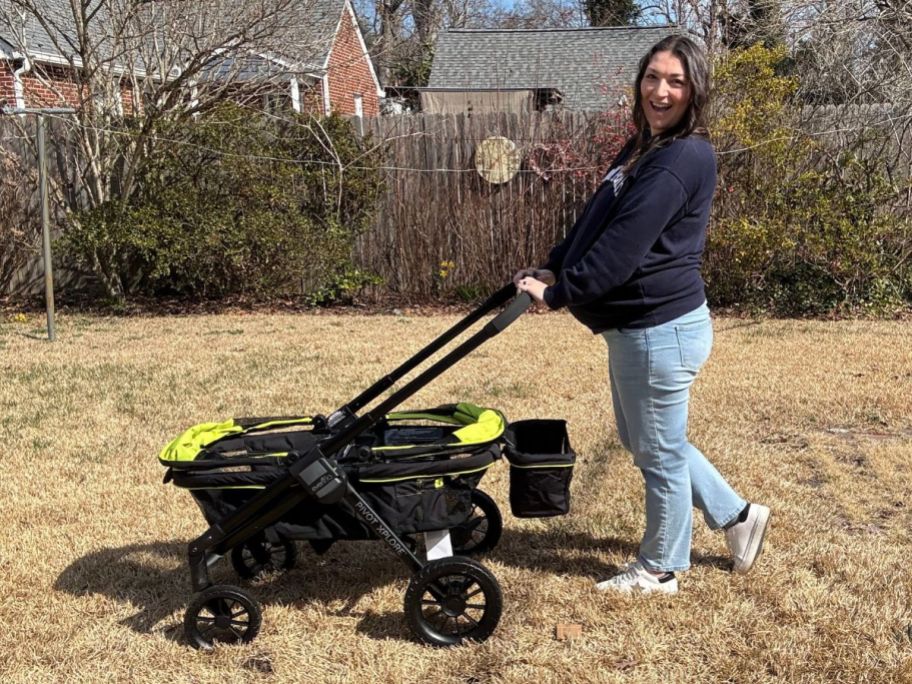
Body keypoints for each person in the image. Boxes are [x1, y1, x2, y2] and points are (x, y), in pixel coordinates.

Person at [514, 34, 769, 595]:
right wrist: (555, 266)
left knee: (657, 452)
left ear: (694, 90)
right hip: (640, 330)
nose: (661, 90)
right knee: (650, 441)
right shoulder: (642, 147)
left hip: (658, 329)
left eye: (676, 81)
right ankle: (737, 516)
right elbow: (595, 222)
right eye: (653, 76)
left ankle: (661, 567)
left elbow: (624, 248)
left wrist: (559, 295)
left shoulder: (683, 156)